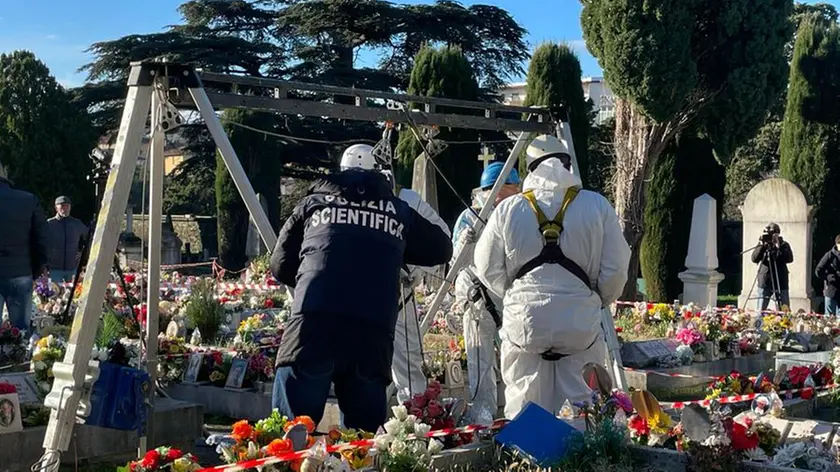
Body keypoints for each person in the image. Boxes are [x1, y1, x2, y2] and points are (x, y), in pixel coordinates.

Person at [269, 145, 452, 433]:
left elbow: (279, 266)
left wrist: (313, 280)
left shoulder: (313, 204)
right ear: (379, 174)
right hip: (371, 332)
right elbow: (442, 248)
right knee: (363, 441)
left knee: (290, 431)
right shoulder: (398, 210)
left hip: (313, 324)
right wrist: (397, 250)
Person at [473, 134, 630, 419]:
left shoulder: (508, 209)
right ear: (567, 164)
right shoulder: (597, 206)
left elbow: (485, 265)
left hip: (525, 324)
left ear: (530, 167)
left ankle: (528, 460)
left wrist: (513, 294)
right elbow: (617, 268)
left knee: (524, 405)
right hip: (579, 325)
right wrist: (596, 299)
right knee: (585, 407)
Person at [451, 162, 520, 424]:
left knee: (517, 359)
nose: (499, 195)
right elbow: (455, 262)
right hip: (478, 299)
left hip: (511, 299)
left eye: (506, 189)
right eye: (494, 190)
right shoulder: (470, 218)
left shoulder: (520, 215)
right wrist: (465, 244)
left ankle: (516, 409)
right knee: (480, 360)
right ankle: (483, 413)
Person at [0, 161, 49, 332]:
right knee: (20, 330)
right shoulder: (28, 200)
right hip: (20, 271)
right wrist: (37, 268)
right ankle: (20, 357)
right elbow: (41, 238)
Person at [751, 223, 793, 311]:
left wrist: (778, 247)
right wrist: (761, 246)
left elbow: (789, 259)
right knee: (761, 308)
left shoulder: (784, 245)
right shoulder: (763, 244)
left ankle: (784, 323)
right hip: (765, 280)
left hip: (780, 280)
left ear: (778, 233)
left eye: (773, 233)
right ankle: (759, 323)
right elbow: (754, 259)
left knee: (784, 309)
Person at [47, 196, 88, 283]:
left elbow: (90, 237)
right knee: (55, 294)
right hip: (54, 269)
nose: (65, 209)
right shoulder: (49, 224)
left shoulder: (76, 224)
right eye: (62, 206)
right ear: (56, 208)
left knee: (74, 293)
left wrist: (84, 253)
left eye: (67, 206)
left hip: (72, 268)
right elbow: (40, 243)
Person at [815, 234, 840, 316]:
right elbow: (818, 270)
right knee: (829, 317)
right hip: (831, 289)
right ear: (837, 244)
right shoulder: (829, 255)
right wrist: (827, 277)